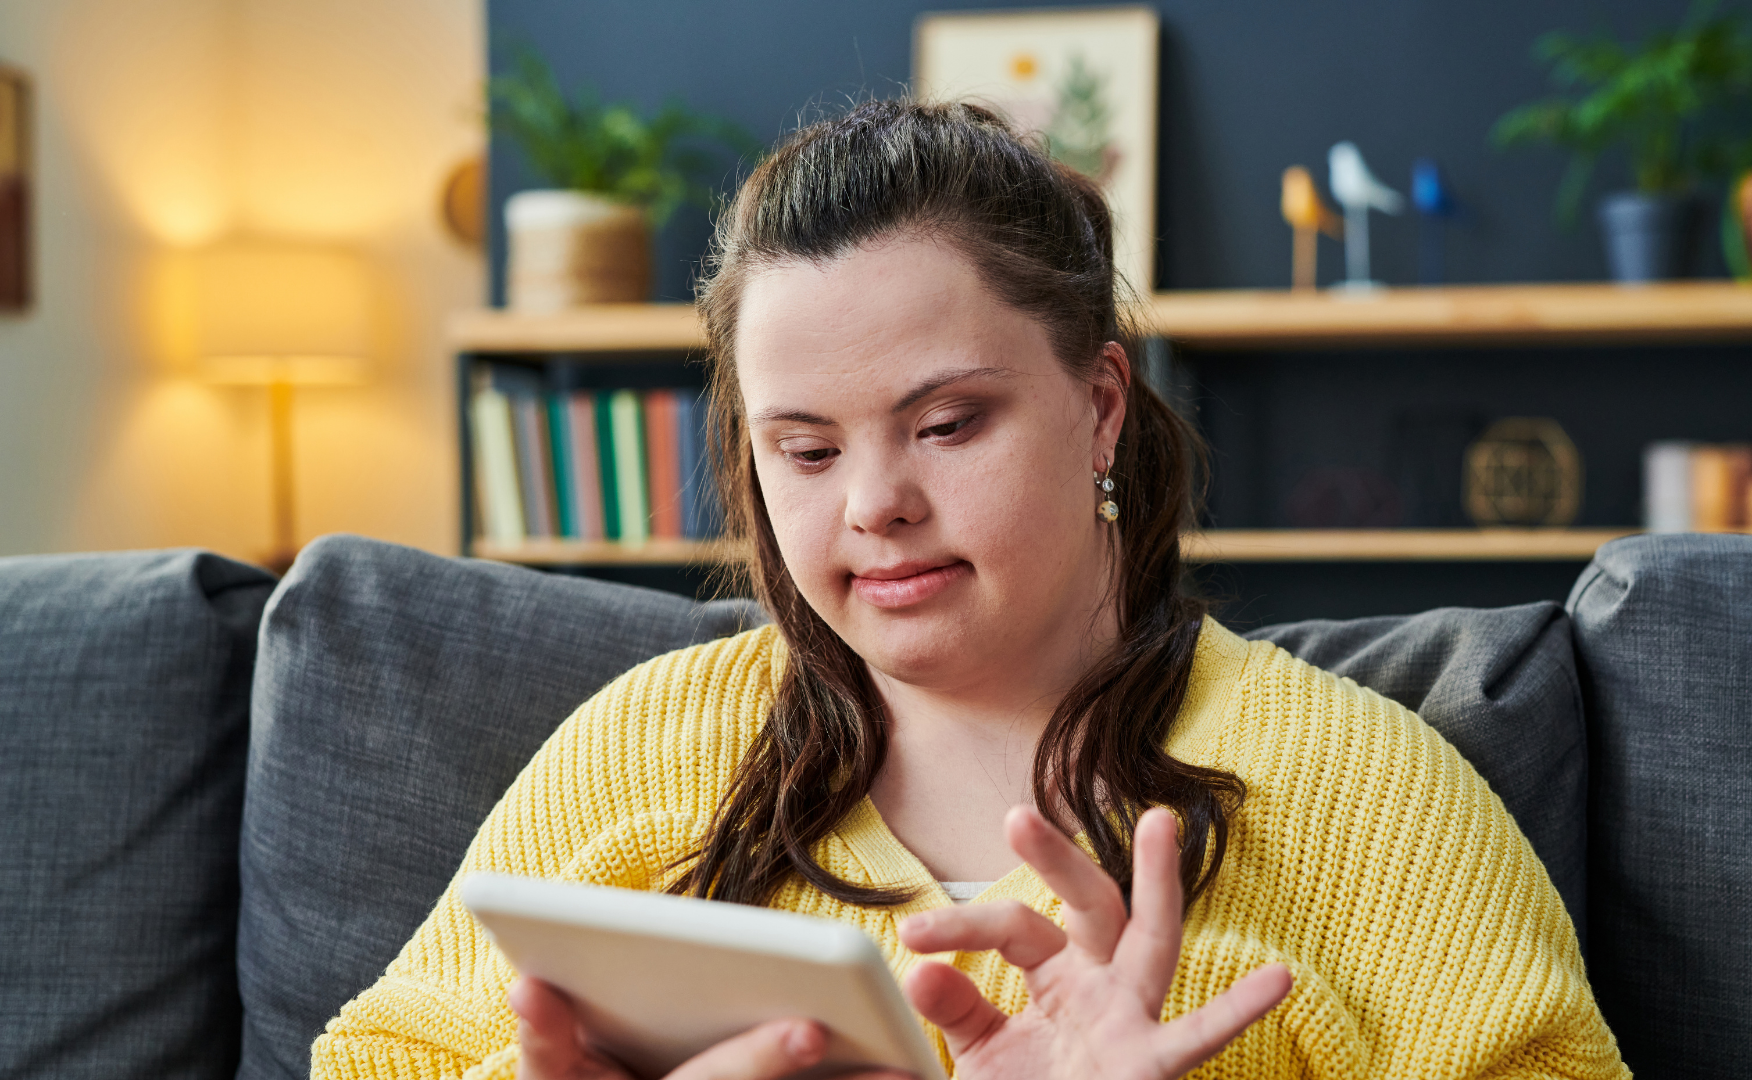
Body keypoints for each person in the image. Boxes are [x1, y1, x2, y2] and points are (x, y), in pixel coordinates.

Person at [312, 100, 1627, 1080]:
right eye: (808, 449)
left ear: (1099, 404)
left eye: (946, 425)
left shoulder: (1354, 787)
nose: (873, 501)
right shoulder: (644, 750)